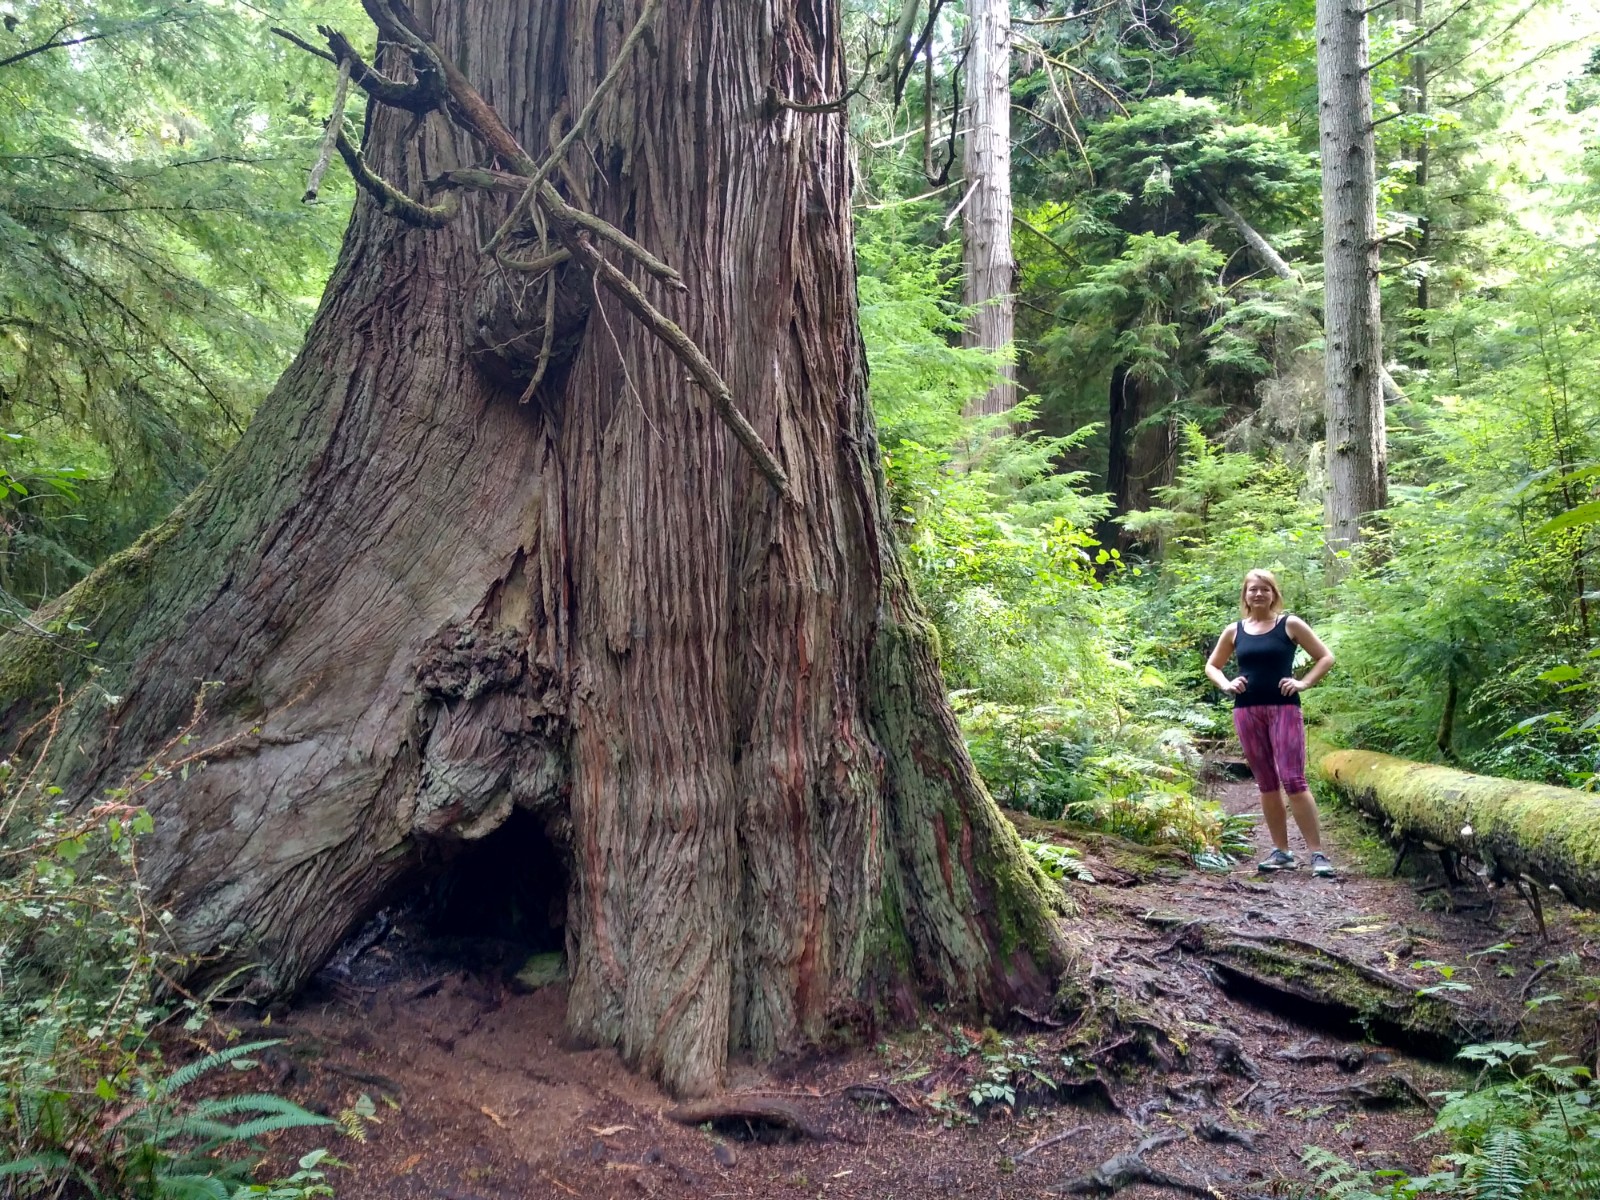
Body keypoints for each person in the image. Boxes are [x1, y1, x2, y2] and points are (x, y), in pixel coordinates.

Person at [1205, 568, 1337, 877]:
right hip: (1246, 711)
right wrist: (1226, 684)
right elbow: (1213, 665)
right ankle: (1282, 853)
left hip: (1284, 709)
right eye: (1253, 589)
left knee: (1293, 780)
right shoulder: (1234, 630)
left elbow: (1326, 657)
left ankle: (1317, 854)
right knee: (1266, 782)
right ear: (1245, 595)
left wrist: (1303, 683)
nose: (1259, 594)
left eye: (1265, 589)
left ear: (1273, 594)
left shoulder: (1289, 624)